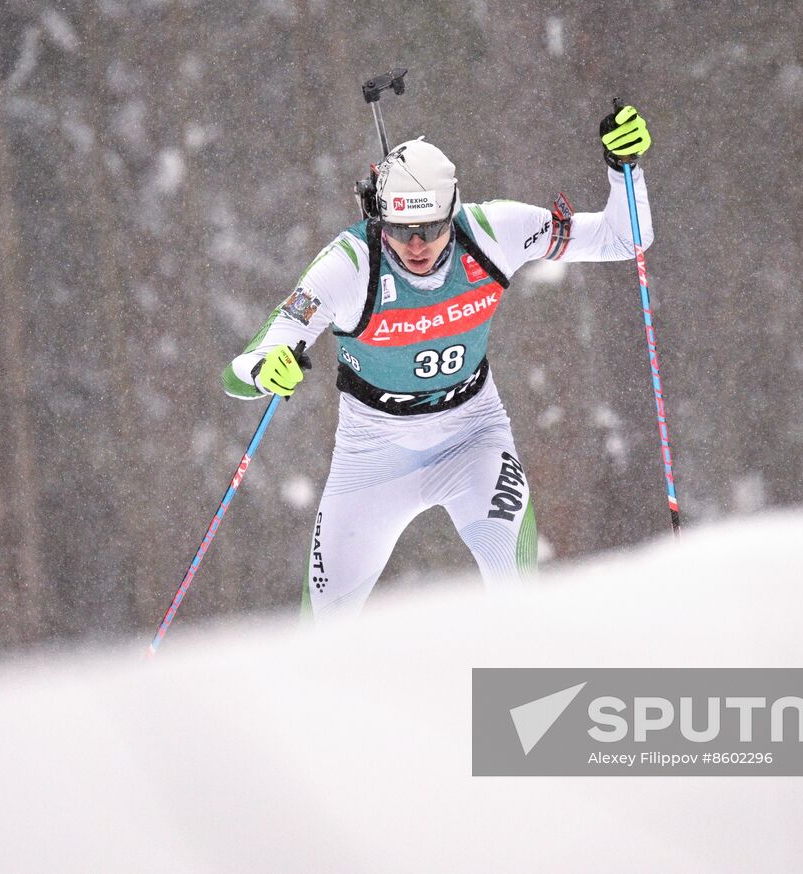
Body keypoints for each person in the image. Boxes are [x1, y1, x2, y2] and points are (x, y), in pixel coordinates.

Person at [221, 104, 654, 620]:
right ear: (379, 219)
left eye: (430, 225)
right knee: (322, 628)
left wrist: (622, 167)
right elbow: (245, 364)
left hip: (472, 435)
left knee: (517, 592)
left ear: (453, 210)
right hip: (371, 457)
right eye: (401, 229)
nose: (417, 244)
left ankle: (523, 691)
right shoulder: (349, 265)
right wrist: (266, 368)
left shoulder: (493, 230)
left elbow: (623, 239)